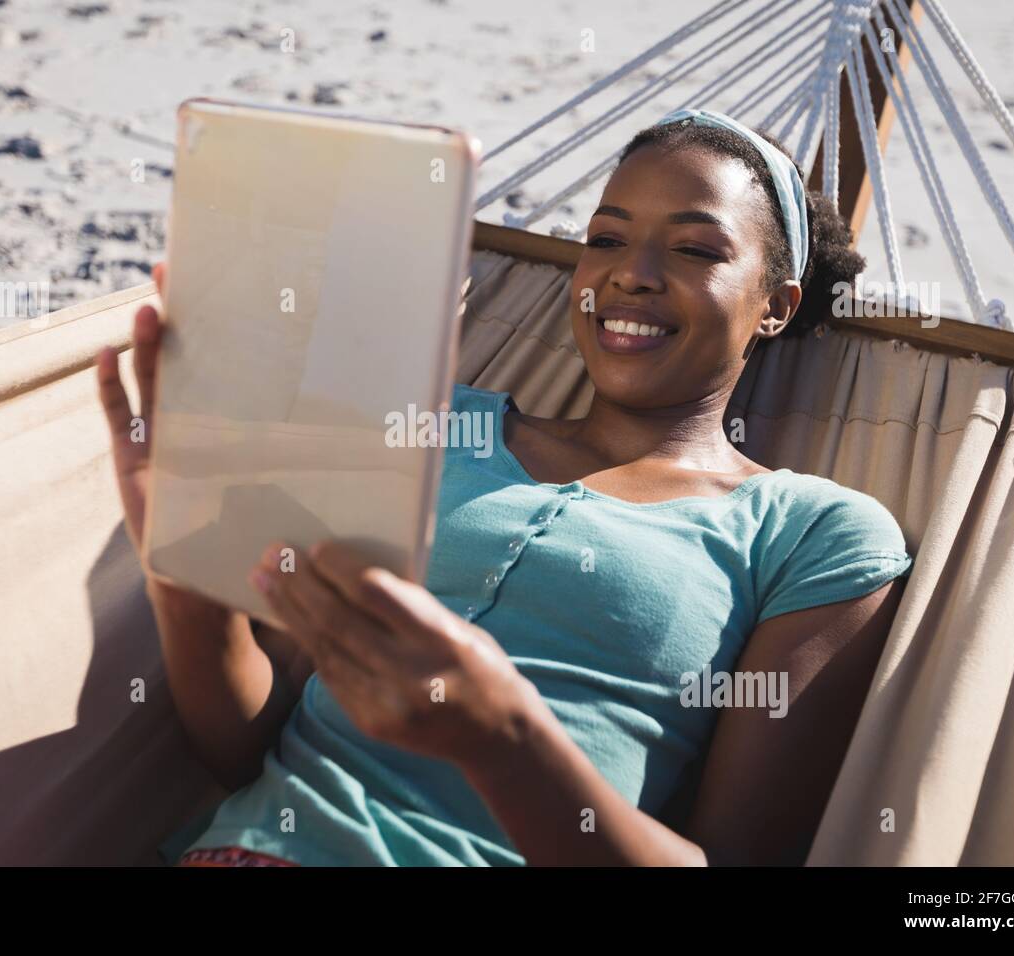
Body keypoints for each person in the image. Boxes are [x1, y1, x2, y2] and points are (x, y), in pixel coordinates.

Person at [95, 109, 913, 867]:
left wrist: (504, 738)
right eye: (604, 239)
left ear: (776, 305)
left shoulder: (814, 532)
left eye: (697, 250)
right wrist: (183, 581)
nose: (632, 274)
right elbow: (248, 744)